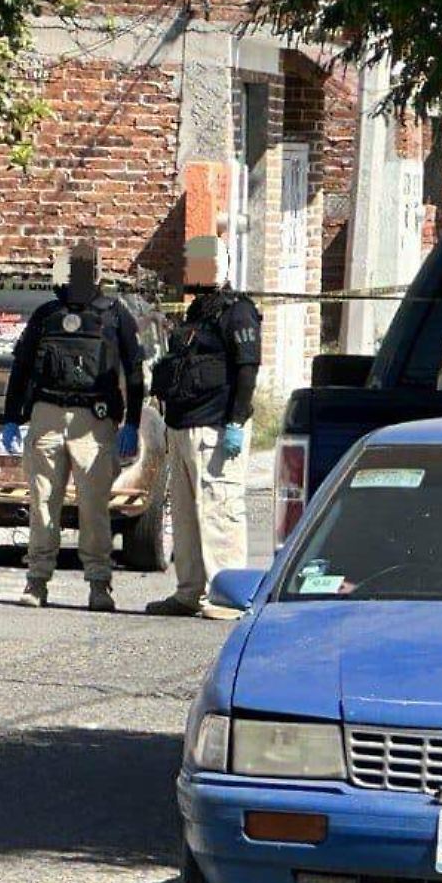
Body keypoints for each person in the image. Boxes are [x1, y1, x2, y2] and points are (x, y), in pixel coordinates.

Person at [1, 242, 144, 612]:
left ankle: (99, 584)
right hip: (47, 415)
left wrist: (133, 422)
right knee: (42, 504)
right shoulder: (46, 315)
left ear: (97, 273)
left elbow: (135, 371)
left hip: (93, 422)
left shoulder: (116, 314)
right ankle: (37, 581)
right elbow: (21, 367)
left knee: (94, 508)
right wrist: (10, 415)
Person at [145, 241, 262, 619]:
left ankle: (228, 596)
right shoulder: (197, 311)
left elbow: (247, 370)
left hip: (216, 429)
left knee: (220, 513)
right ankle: (189, 592)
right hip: (181, 427)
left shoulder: (238, 311)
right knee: (185, 517)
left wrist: (236, 422)